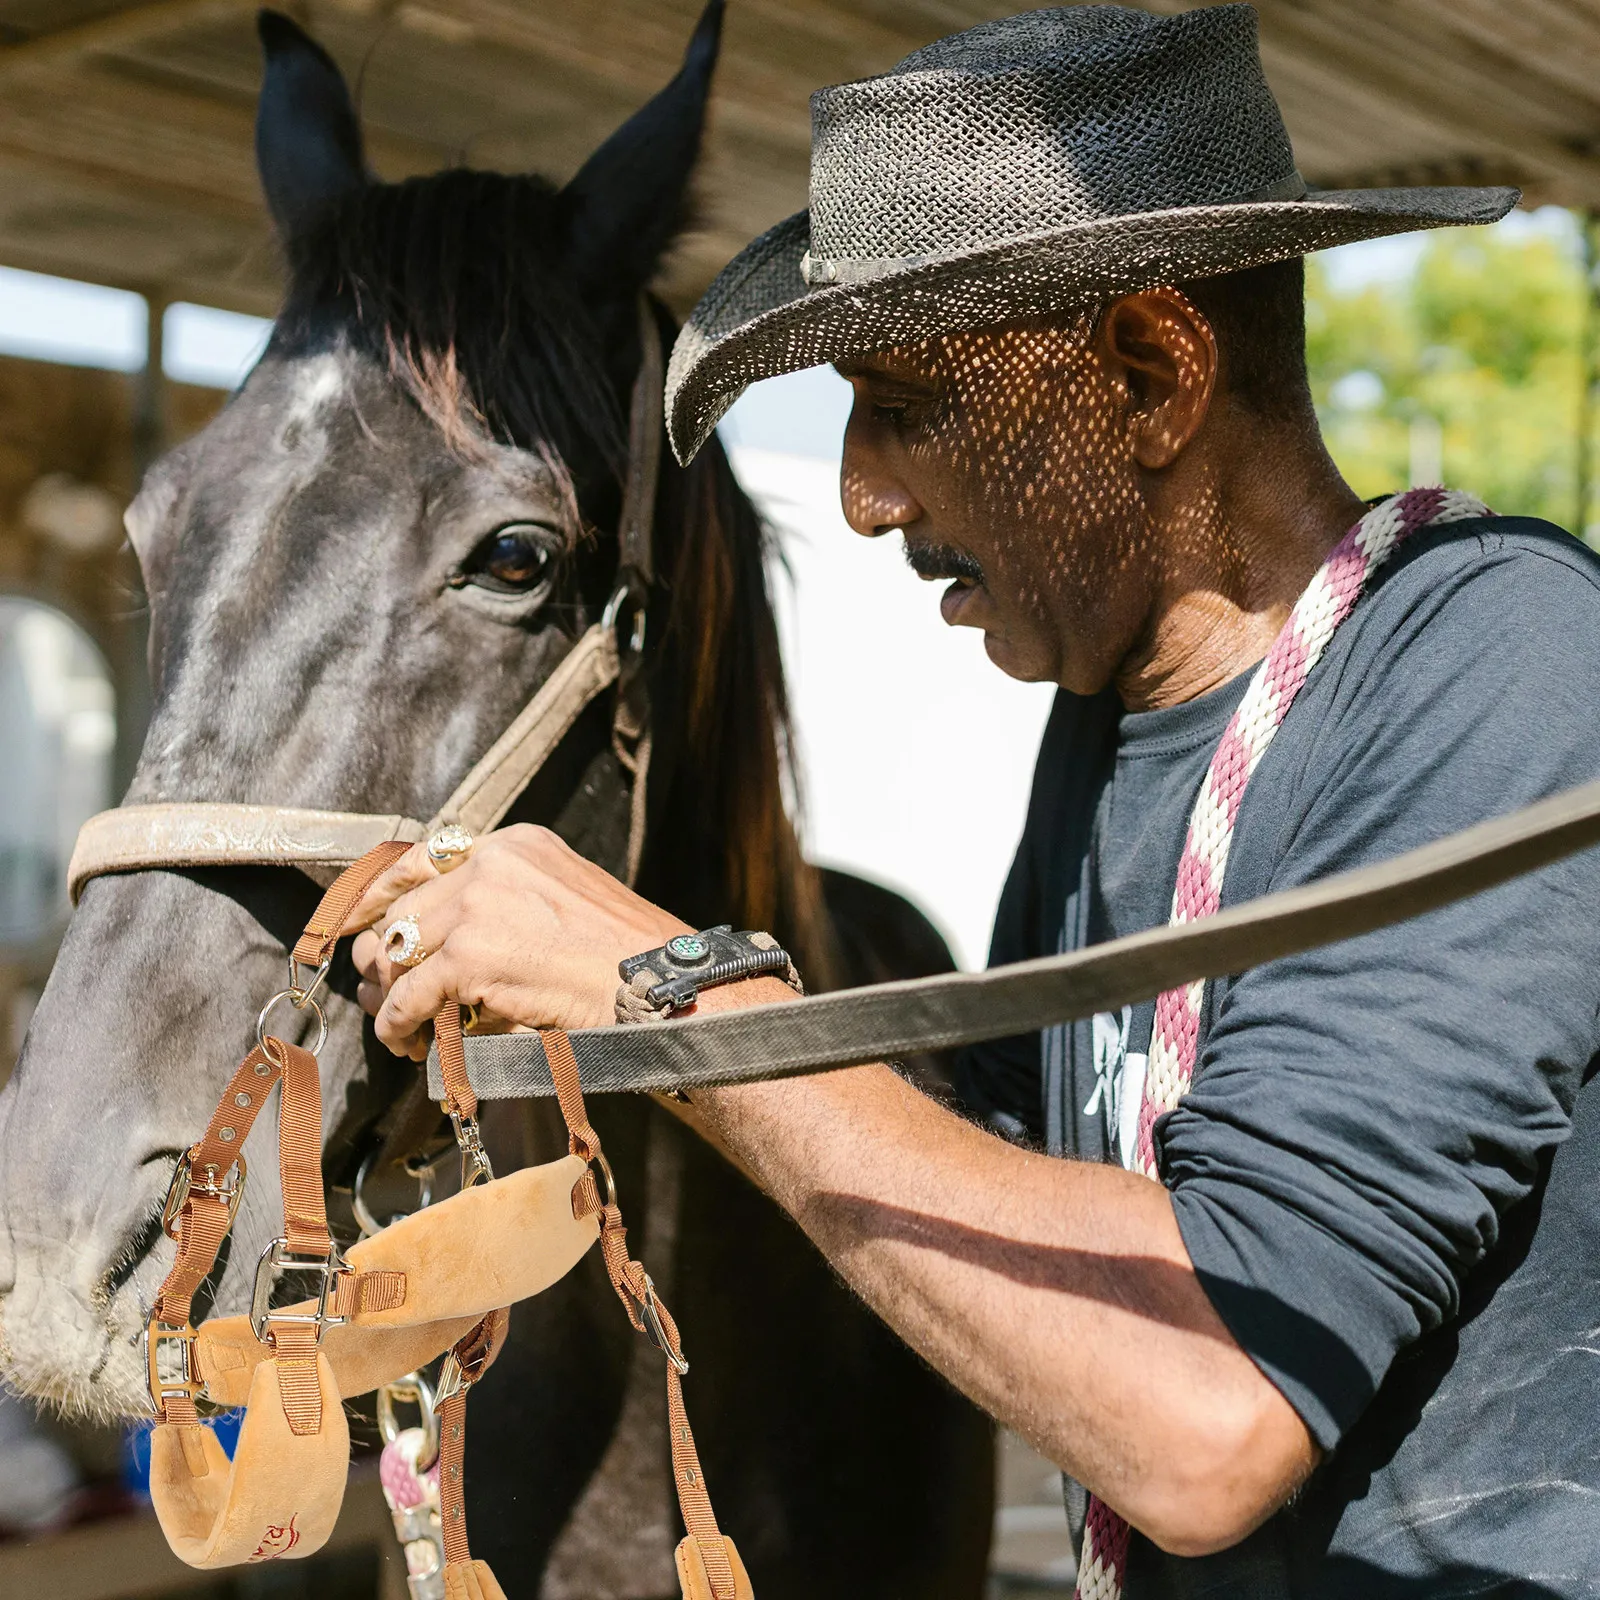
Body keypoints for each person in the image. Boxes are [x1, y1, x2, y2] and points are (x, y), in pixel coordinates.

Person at [348, 7, 1600, 1595]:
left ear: (1152, 375)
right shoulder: (1112, 719)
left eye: (906, 404)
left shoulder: (1501, 655)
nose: (866, 495)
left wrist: (667, 995)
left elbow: (1205, 1425)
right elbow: (988, 1187)